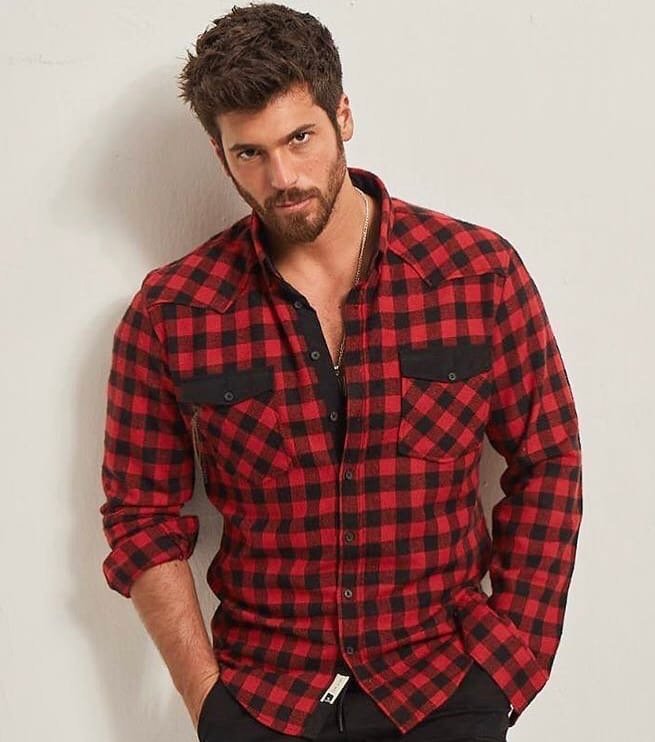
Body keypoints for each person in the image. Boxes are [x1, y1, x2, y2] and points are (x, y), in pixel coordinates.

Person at [99, 4, 583, 741]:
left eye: (300, 138)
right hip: (265, 702)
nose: (283, 177)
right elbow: (140, 515)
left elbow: (549, 459)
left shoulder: (476, 274)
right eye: (250, 153)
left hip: (444, 689)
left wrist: (513, 664)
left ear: (343, 116)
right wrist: (207, 700)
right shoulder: (174, 310)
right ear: (219, 153)